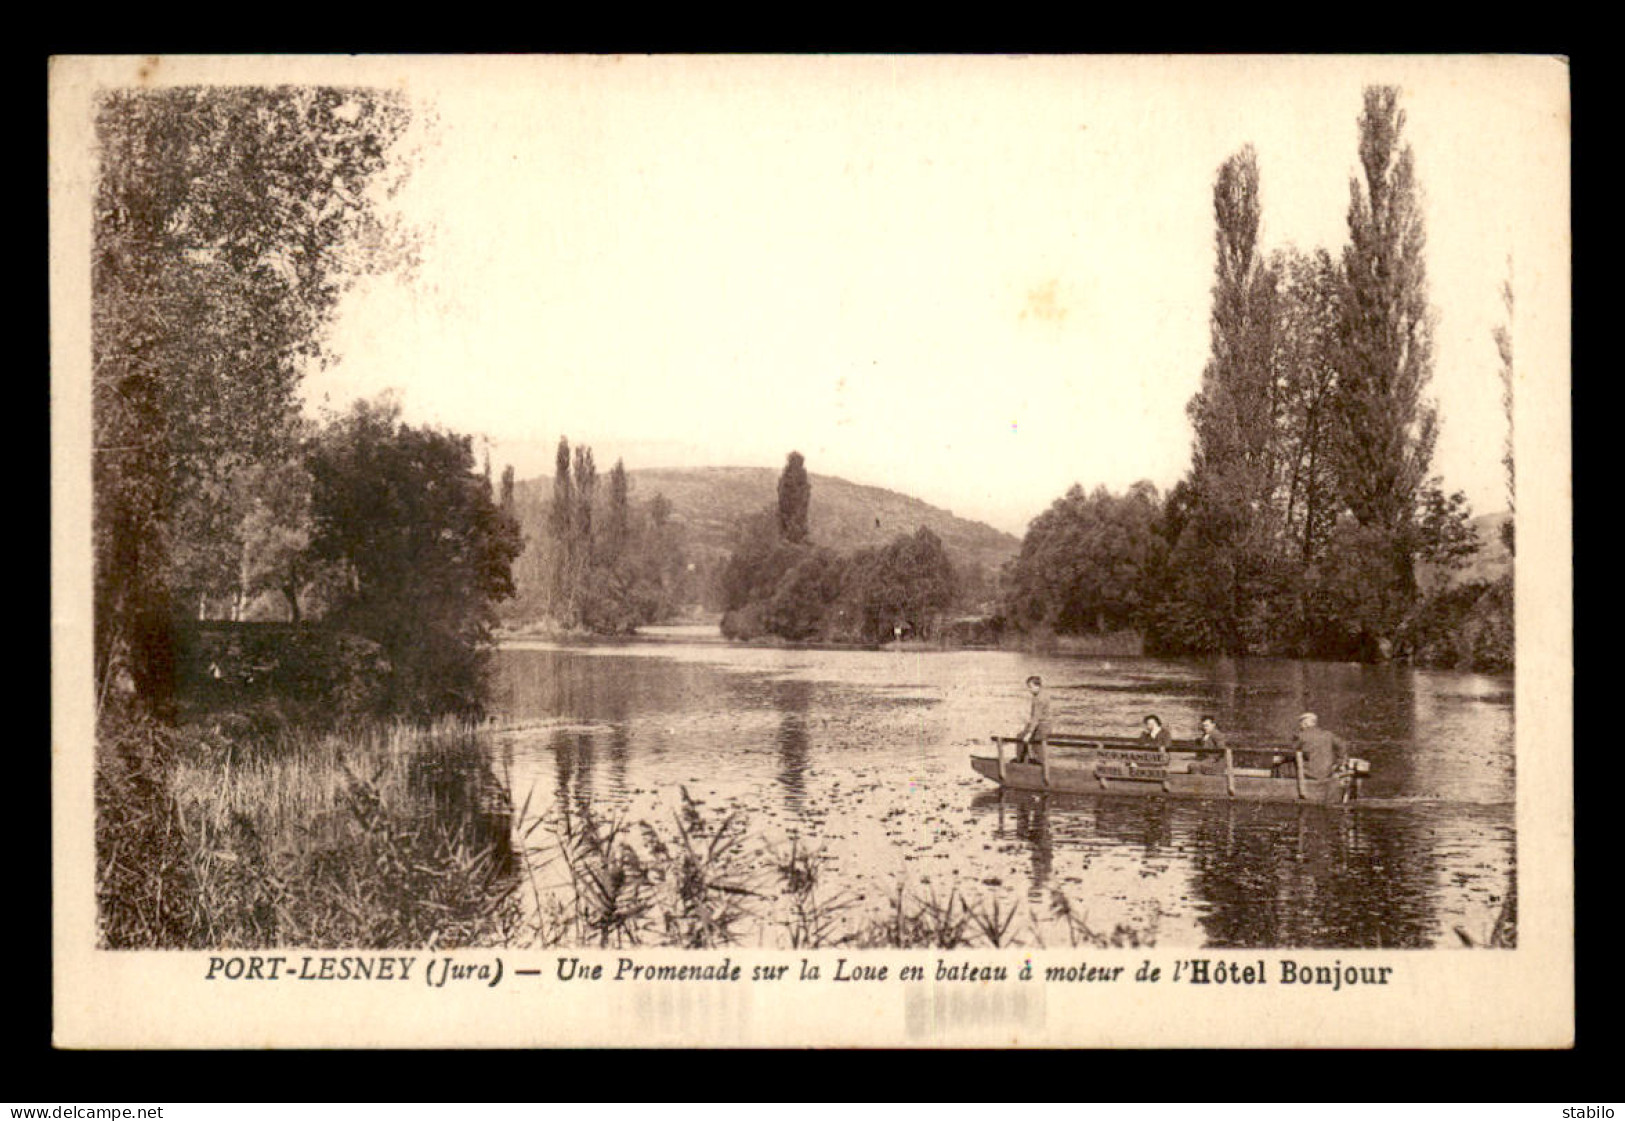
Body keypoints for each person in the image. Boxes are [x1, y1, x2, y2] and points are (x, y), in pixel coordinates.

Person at [1288, 712, 1347, 780]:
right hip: (1328, 773)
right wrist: (1338, 763)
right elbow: (1342, 746)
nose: (1301, 726)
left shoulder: (1301, 736)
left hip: (1308, 774)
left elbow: (1291, 752)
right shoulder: (1328, 735)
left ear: (1305, 724)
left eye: (1301, 724)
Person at [1016, 675, 1051, 764]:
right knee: (1022, 736)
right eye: (1028, 687)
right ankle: (1026, 760)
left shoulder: (1039, 699)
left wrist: (1029, 732)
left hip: (1041, 727)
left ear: (1037, 686)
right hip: (1045, 726)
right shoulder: (1043, 695)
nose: (1029, 690)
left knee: (1024, 739)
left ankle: (1020, 761)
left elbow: (1036, 717)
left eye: (1030, 687)